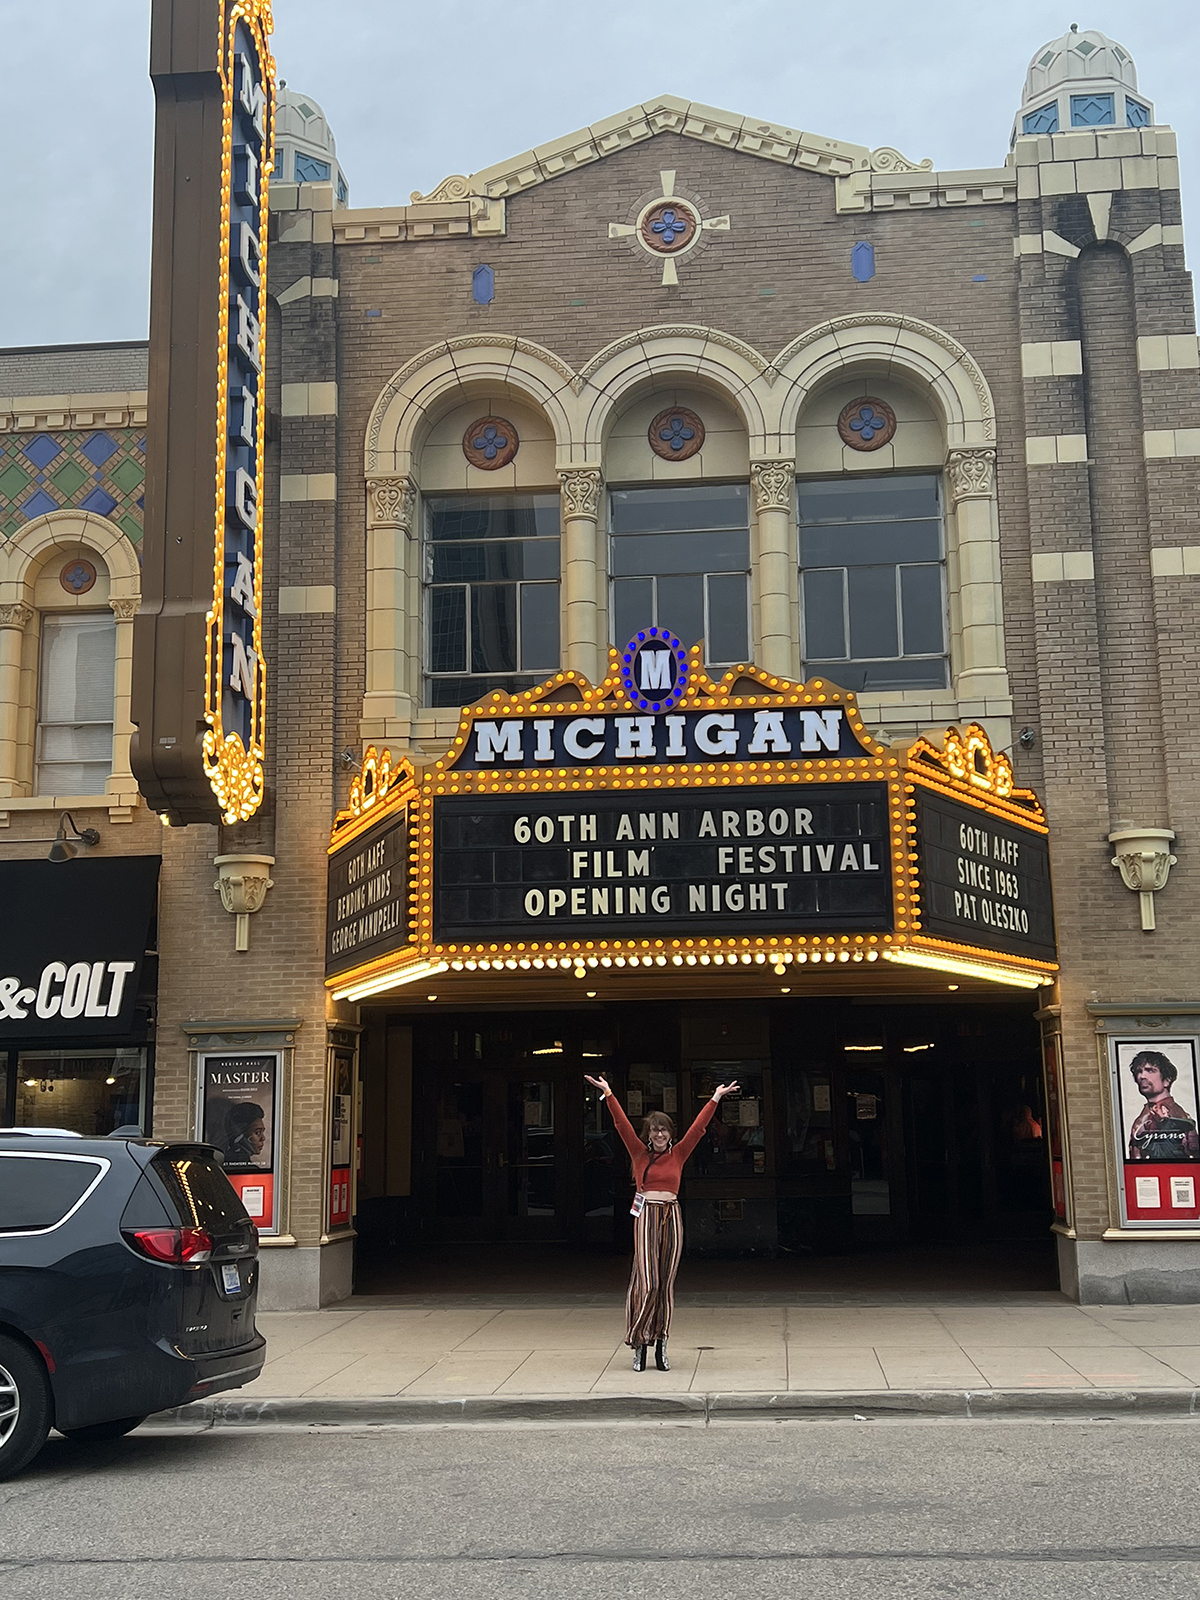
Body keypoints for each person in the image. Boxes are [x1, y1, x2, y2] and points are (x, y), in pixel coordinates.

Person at [584, 1072, 740, 1372]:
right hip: (646, 1216)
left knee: (666, 1284)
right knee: (649, 1281)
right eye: (655, 1131)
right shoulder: (639, 1153)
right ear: (648, 1134)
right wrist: (608, 1094)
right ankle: (640, 1340)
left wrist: (716, 1098)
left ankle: (661, 1344)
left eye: (664, 1131)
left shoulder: (679, 1154)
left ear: (670, 1133)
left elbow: (698, 1128)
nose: (659, 1135)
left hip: (671, 1216)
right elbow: (621, 1125)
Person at [1127, 1051, 1200, 1162]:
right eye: (1138, 1071)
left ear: (1167, 1080)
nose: (1142, 1076)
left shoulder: (1173, 1113)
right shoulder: (1146, 1113)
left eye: (1150, 1070)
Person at [224, 1101, 268, 1167]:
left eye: (262, 1132)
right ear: (240, 1134)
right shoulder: (249, 1169)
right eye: (257, 1132)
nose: (263, 1138)